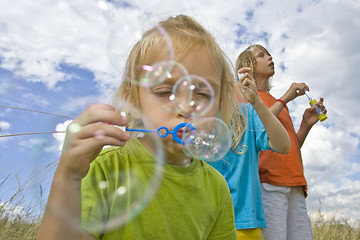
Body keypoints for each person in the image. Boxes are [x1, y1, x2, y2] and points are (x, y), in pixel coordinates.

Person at [37, 15, 247, 240]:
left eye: (203, 94)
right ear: (133, 100)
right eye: (165, 92)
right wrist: (67, 177)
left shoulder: (217, 189)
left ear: (221, 104)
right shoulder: (104, 168)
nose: (186, 107)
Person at [235, 44, 327, 240]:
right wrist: (286, 98)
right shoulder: (244, 95)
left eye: (269, 54)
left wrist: (305, 124)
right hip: (267, 183)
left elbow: (287, 147)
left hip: (295, 183)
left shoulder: (278, 104)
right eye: (262, 55)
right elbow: (254, 129)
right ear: (248, 65)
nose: (270, 58)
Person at [207, 66, 291, 240]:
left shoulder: (246, 114)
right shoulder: (190, 121)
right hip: (201, 222)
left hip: (244, 224)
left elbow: (283, 145)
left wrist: (256, 102)